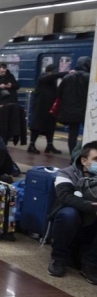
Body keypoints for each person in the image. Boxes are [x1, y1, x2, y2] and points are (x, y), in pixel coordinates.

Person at [47, 141, 97, 283]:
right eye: (96, 159)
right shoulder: (66, 173)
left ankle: (90, 264)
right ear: (84, 160)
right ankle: (58, 259)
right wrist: (92, 207)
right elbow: (65, 197)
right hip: (72, 218)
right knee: (69, 214)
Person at [28, 65, 68, 154]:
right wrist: (66, 73)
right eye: (54, 71)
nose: (55, 73)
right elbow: (51, 77)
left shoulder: (52, 81)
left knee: (50, 126)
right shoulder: (42, 78)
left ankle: (50, 145)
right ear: (49, 71)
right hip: (40, 107)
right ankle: (31, 145)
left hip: (50, 107)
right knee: (37, 126)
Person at [57, 57, 91, 154]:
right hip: (86, 110)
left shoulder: (68, 77)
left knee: (72, 133)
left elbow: (59, 93)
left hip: (70, 110)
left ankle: (73, 154)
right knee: (89, 133)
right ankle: (87, 153)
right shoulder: (90, 77)